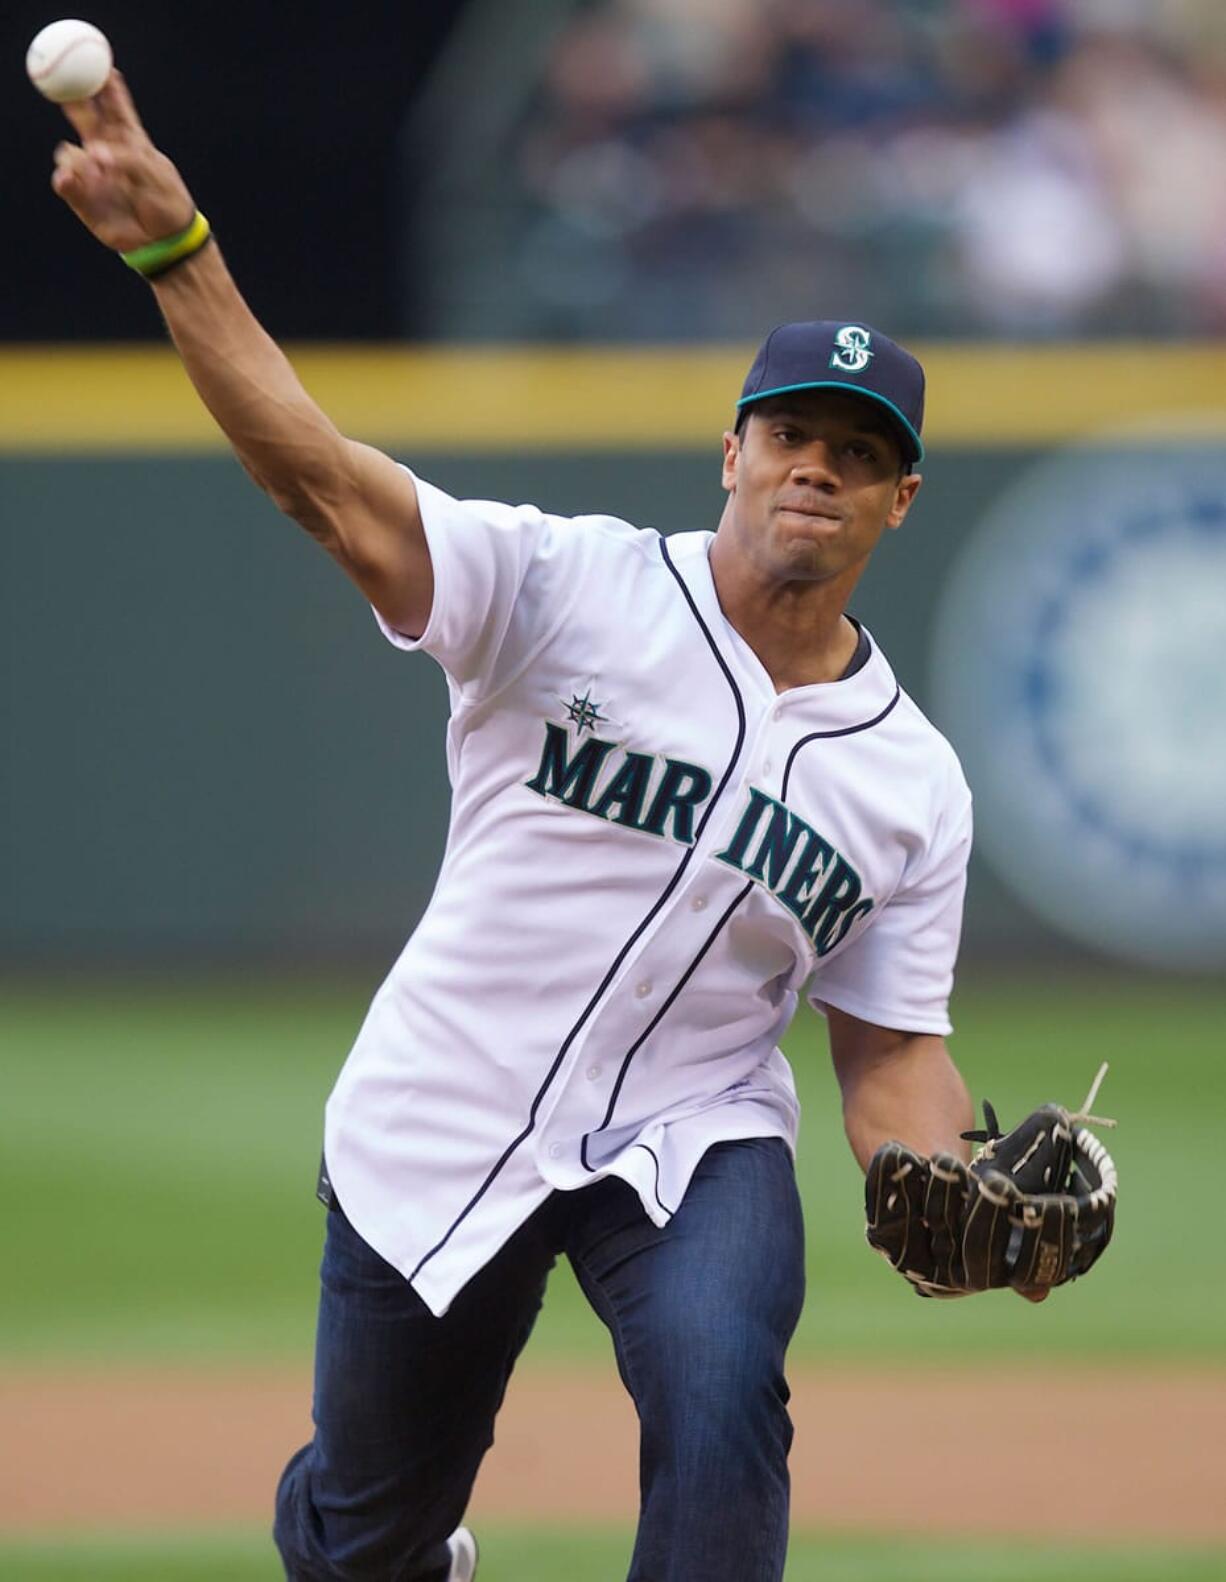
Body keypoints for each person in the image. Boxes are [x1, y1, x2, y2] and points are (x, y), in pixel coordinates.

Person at [51, 73, 980, 1582]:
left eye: (858, 452)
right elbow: (319, 483)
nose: (818, 464)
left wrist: (934, 1179)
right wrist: (180, 258)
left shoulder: (912, 781)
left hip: (693, 1133)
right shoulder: (566, 585)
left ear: (900, 499)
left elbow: (888, 1051)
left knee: (722, 1386)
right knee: (366, 1538)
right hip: (447, 1101)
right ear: (729, 453)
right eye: (792, 432)